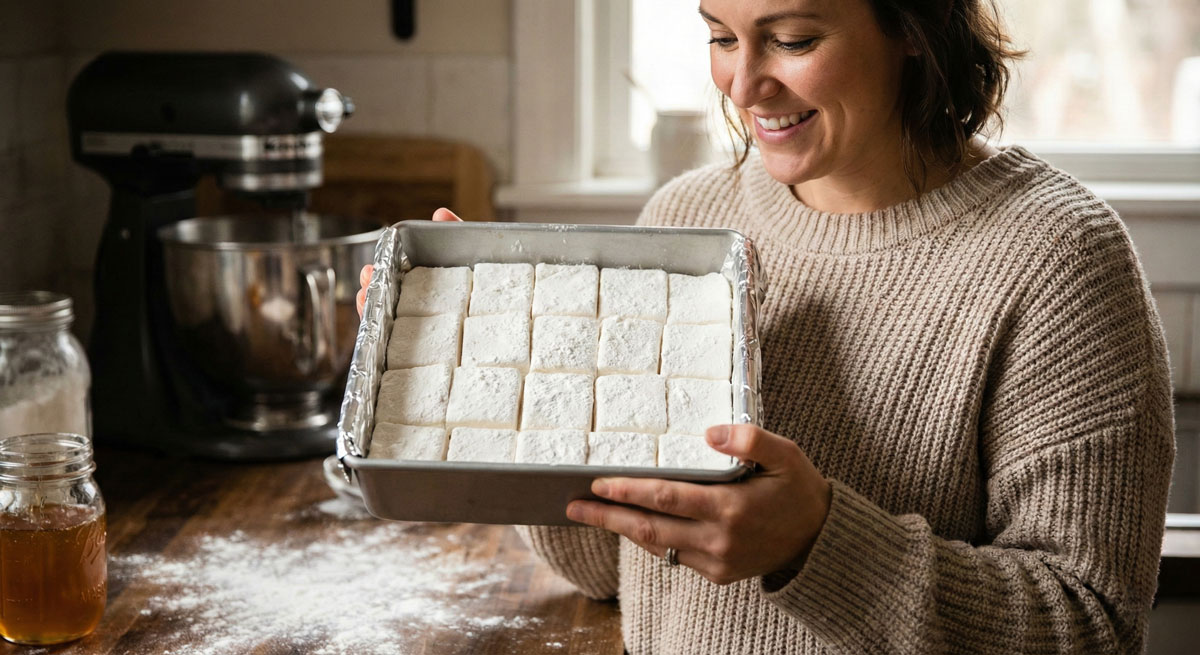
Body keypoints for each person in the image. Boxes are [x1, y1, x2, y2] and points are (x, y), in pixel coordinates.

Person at [358, 1, 1175, 652]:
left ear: (916, 29)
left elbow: (1091, 624)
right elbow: (608, 567)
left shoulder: (1058, 260)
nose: (743, 85)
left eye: (790, 39)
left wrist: (817, 544)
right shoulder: (689, 220)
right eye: (720, 36)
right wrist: (507, 374)